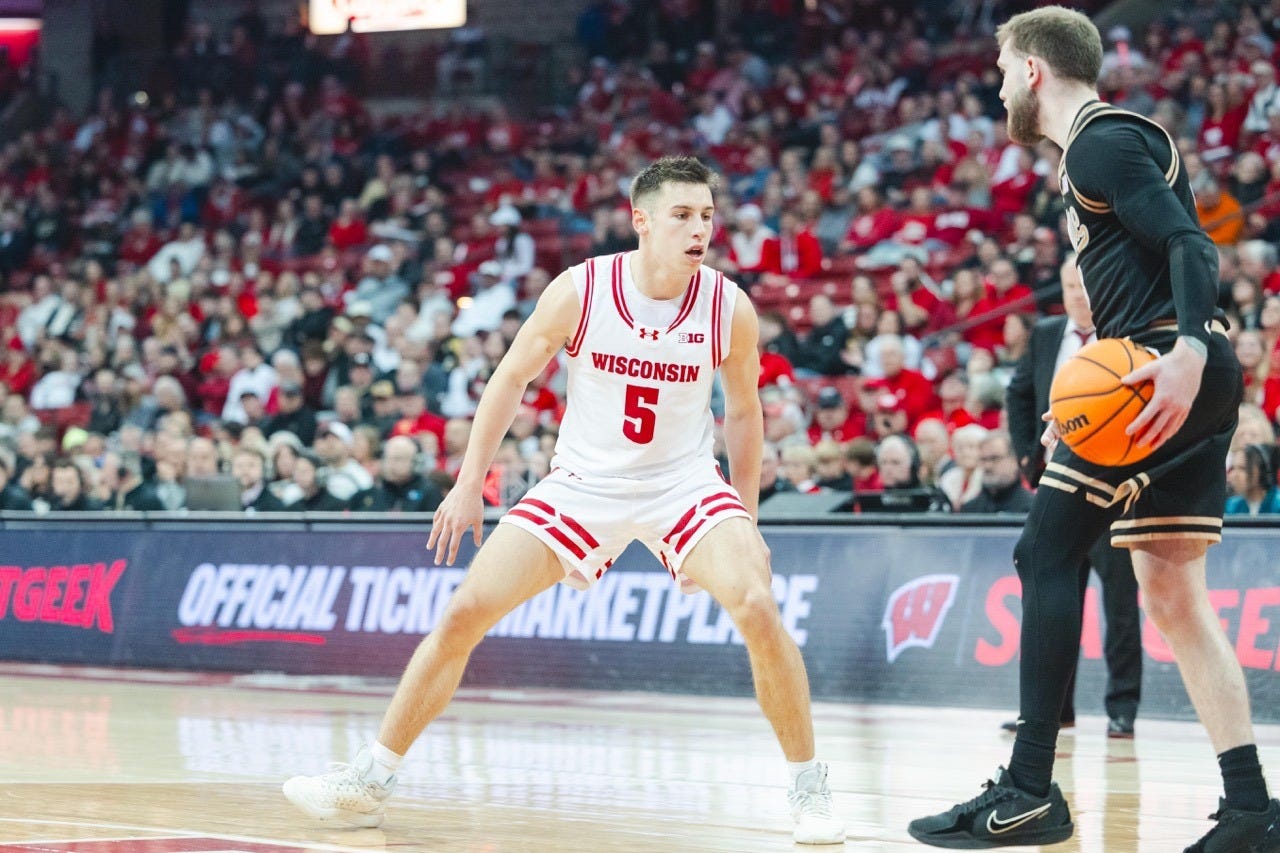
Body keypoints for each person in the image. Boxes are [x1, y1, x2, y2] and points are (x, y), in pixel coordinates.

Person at [282, 156, 846, 844]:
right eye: (682, 215)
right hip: (583, 483)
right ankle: (369, 782)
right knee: (464, 611)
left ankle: (809, 787)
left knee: (757, 604)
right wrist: (469, 482)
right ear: (641, 220)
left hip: (684, 484)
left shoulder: (730, 306)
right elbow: (509, 377)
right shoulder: (581, 289)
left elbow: (746, 412)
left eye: (706, 215)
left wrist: (747, 518)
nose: (699, 228)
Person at [910, 9, 1279, 850]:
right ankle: (1253, 807)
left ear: (1034, 70)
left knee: (1044, 551)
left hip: (1160, 370)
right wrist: (1092, 397)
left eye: (1002, 70)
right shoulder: (1109, 144)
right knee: (1174, 596)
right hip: (1166, 373)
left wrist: (1186, 349)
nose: (997, 87)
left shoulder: (1098, 142)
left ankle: (1028, 790)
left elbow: (1194, 247)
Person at [1002, 253, 1143, 740]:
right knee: (1050, 596)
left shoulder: (1123, 335)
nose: (1078, 295)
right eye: (1069, 286)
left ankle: (1123, 708)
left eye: (1084, 285)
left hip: (1112, 487)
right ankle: (1052, 709)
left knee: (1120, 606)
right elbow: (1018, 393)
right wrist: (1027, 455)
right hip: (1057, 485)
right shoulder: (1046, 335)